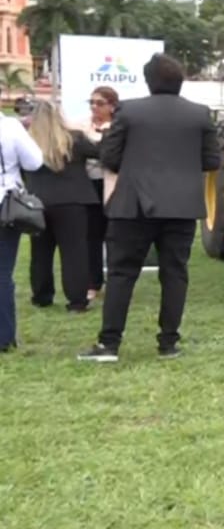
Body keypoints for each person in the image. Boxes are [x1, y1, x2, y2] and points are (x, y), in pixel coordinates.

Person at [78, 54, 220, 362]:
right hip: (182, 207)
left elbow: (110, 157)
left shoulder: (129, 111)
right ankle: (168, 343)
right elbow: (212, 161)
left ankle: (109, 344)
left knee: (121, 273)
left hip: (134, 205)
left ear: (148, 81)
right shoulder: (199, 115)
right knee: (175, 274)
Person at [24, 100, 101, 313]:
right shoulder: (73, 139)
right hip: (72, 201)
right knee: (74, 252)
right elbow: (102, 153)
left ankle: (42, 296)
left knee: (40, 252)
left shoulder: (28, 141)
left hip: (37, 202)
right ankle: (77, 301)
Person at [0, 107, 44, 353]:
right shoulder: (9, 127)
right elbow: (34, 161)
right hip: (4, 203)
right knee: (2, 272)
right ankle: (3, 336)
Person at [76, 86, 119, 299]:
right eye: (91, 102)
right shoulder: (80, 125)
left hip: (112, 185)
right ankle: (93, 283)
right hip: (87, 185)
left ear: (112, 106)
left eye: (100, 103)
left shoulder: (119, 127)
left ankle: (115, 281)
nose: (94, 107)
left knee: (113, 236)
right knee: (91, 236)